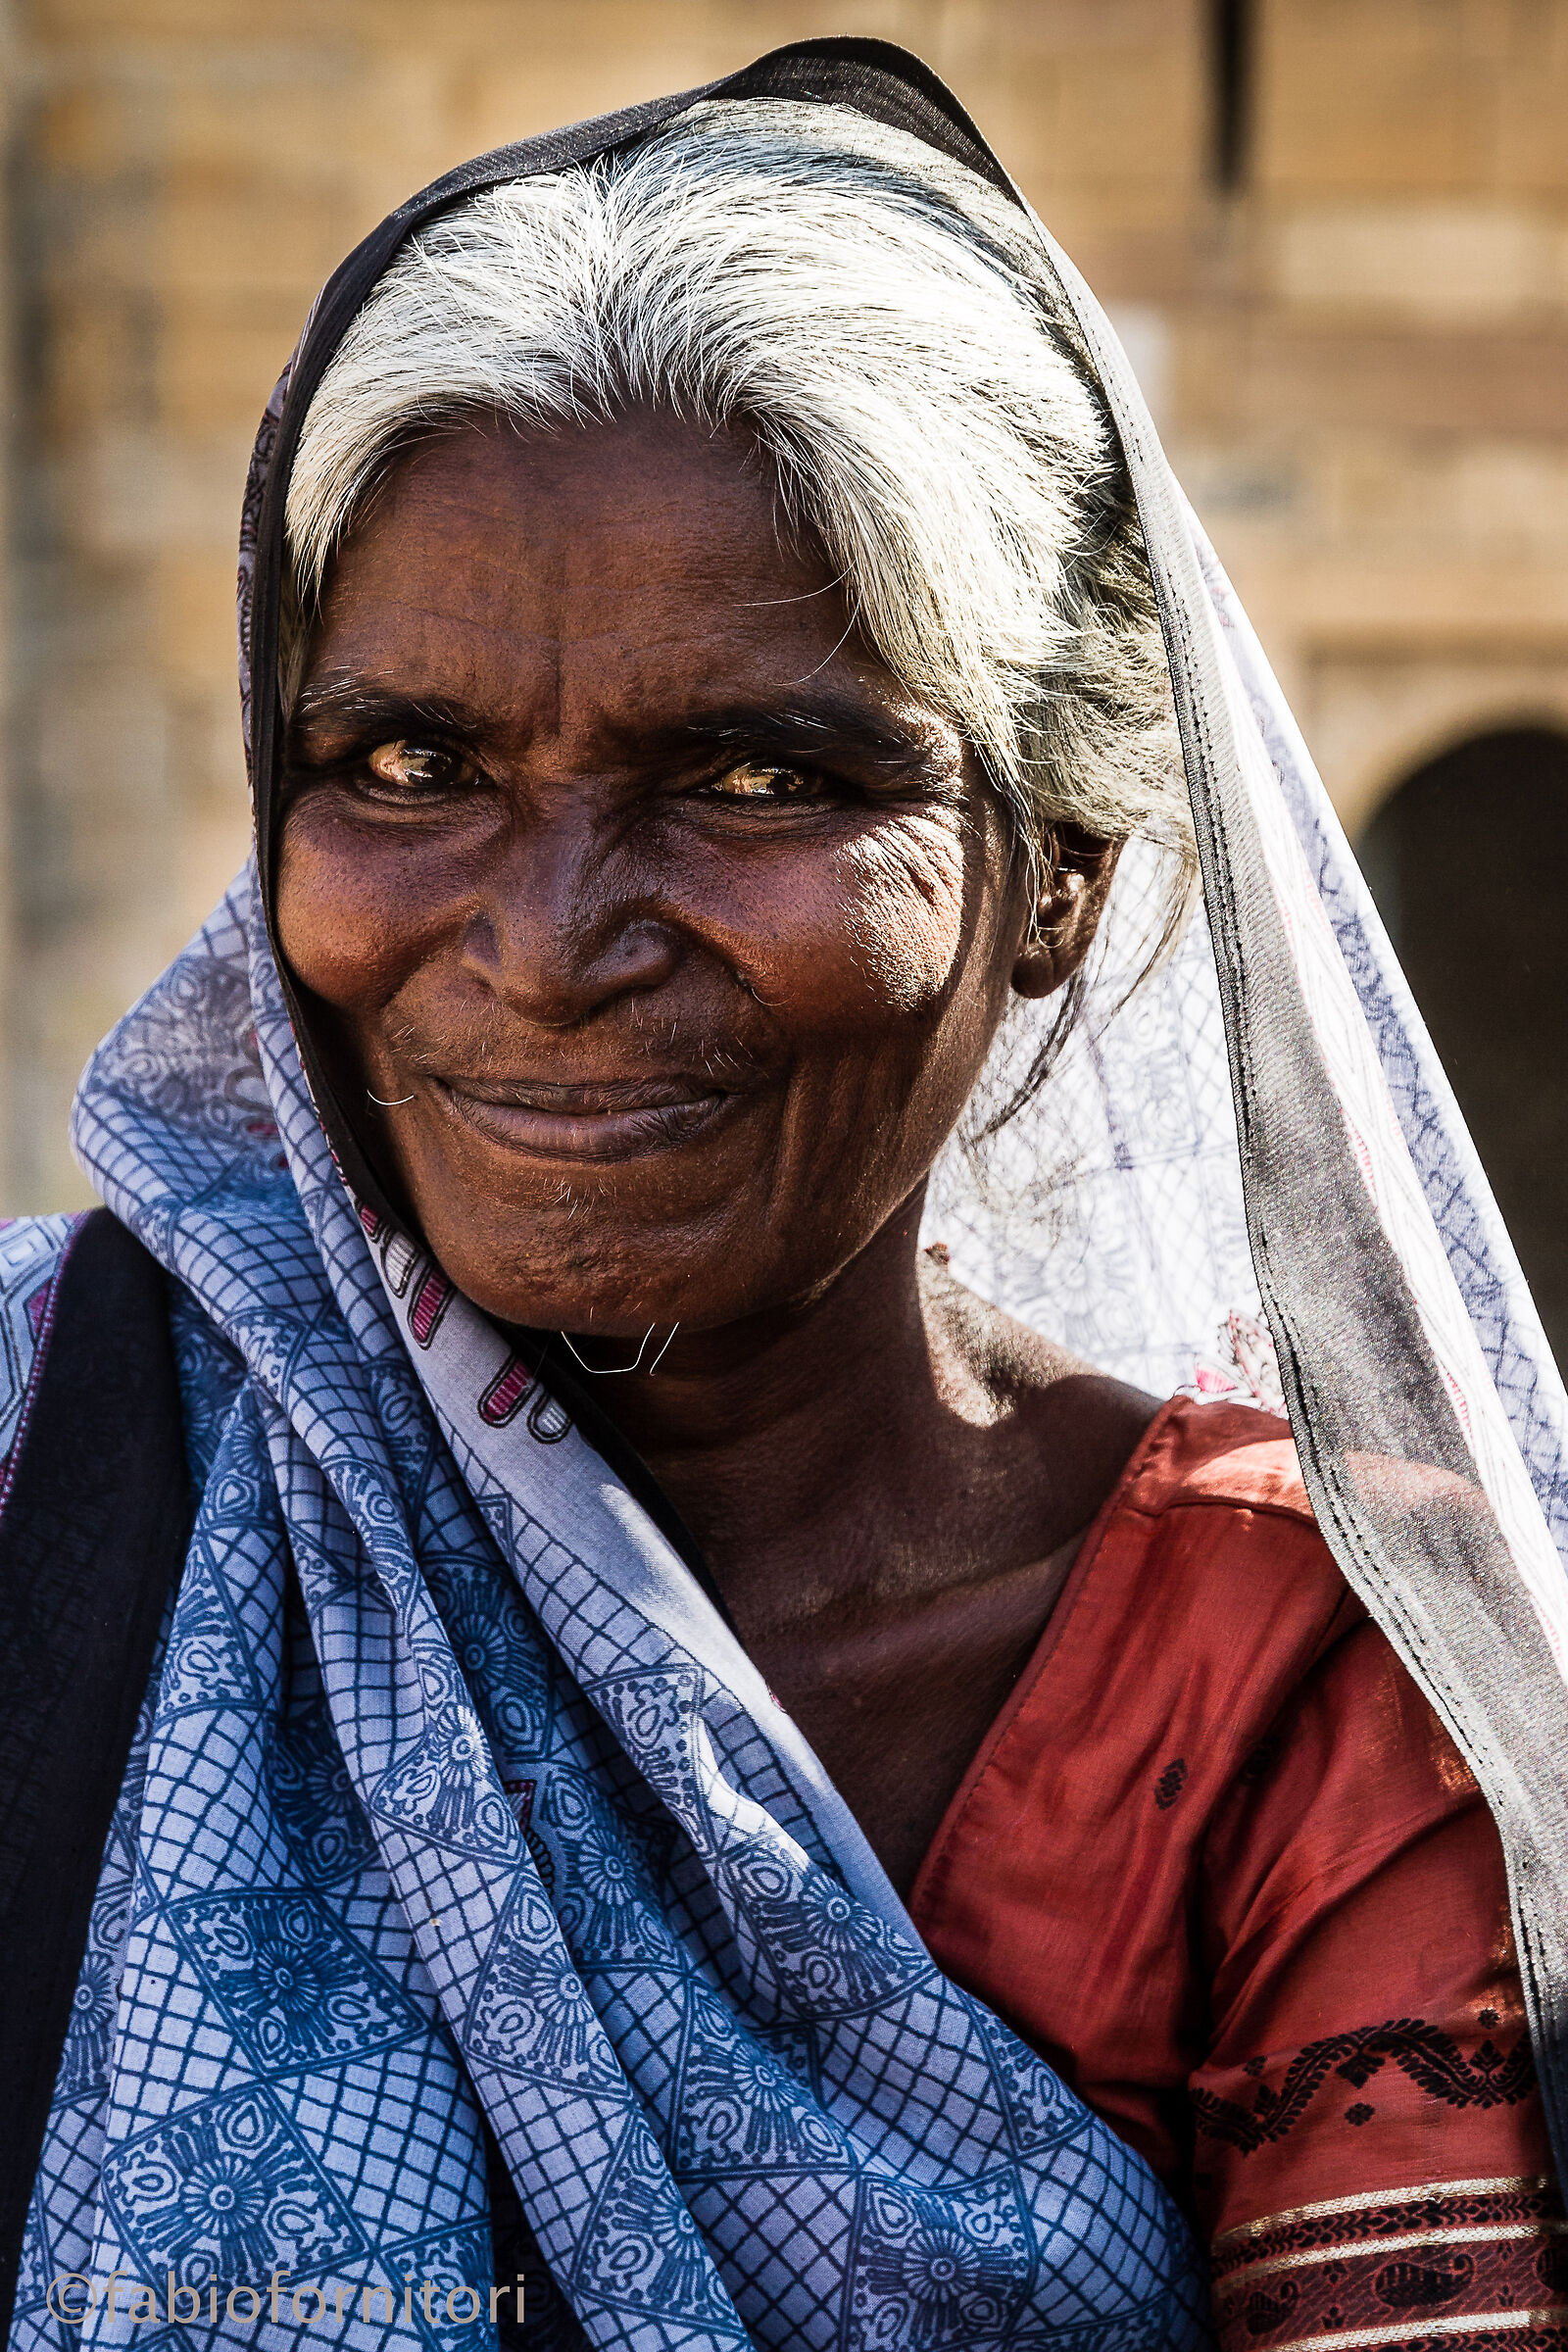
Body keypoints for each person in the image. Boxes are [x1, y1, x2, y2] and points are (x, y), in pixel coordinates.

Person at [3, 41, 1566, 2352]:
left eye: (751, 775)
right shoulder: (53, 1465)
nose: (542, 943)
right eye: (403, 763)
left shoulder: (1291, 1691)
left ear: (1054, 879)